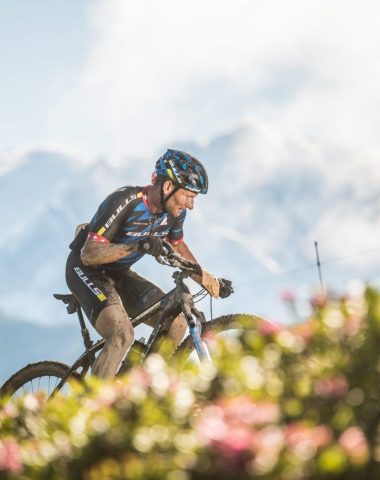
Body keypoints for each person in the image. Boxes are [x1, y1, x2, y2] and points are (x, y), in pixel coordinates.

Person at [65, 149, 233, 378]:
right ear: (167, 187)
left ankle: (139, 389)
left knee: (177, 323)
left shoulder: (174, 213)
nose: (191, 205)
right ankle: (94, 408)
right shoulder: (125, 200)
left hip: (119, 273)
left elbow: (178, 247)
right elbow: (89, 253)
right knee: (122, 335)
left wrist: (208, 280)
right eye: (188, 196)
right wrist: (136, 245)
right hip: (86, 270)